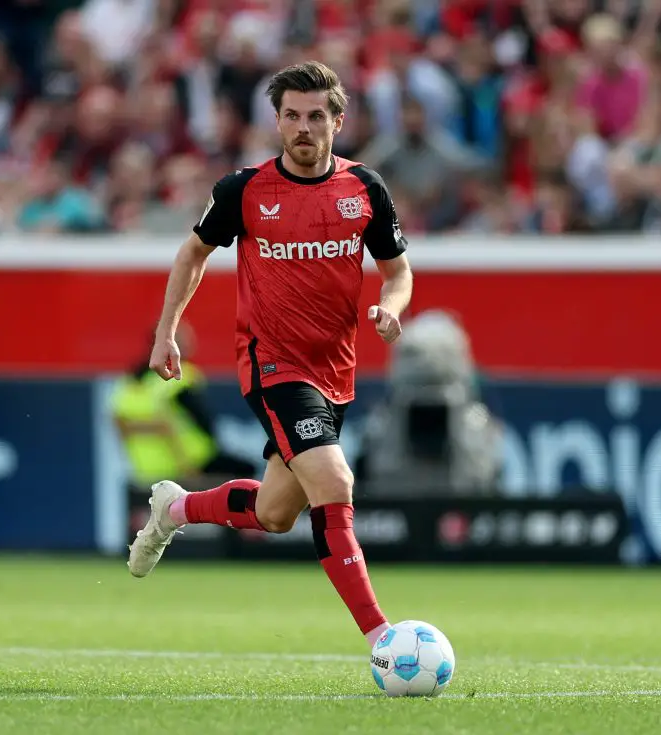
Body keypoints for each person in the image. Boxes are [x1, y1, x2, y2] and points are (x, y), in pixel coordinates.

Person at [127, 61, 414, 648]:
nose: (303, 127)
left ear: (338, 121)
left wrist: (392, 306)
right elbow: (192, 255)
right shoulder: (244, 190)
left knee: (276, 514)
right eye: (292, 116)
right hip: (272, 363)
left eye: (316, 116)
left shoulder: (365, 189)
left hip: (335, 373)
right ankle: (382, 639)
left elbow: (398, 271)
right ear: (277, 122)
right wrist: (166, 332)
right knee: (334, 480)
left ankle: (176, 509)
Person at [111, 322, 256, 487]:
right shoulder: (181, 376)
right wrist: (188, 464)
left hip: (145, 470)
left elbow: (119, 422)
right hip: (192, 461)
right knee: (247, 475)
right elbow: (203, 421)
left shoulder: (129, 384)